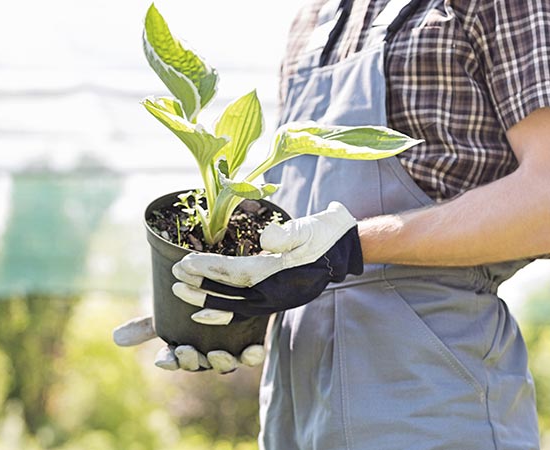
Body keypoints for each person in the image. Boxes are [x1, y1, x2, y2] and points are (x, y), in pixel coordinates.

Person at [115, 0, 550, 448]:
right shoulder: (312, 21)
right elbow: (298, 245)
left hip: (430, 400)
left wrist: (350, 246)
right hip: (293, 414)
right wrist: (225, 307)